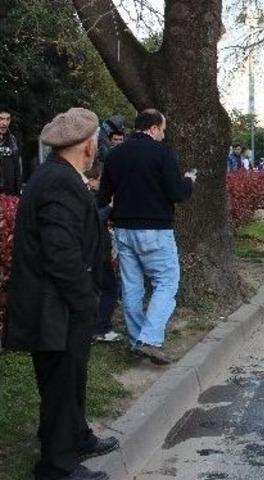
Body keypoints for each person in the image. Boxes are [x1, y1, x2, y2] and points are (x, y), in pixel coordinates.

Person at [4, 107, 117, 480]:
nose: (97, 146)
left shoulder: (59, 175)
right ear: (87, 145)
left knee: (71, 379)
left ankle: (77, 436)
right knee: (60, 385)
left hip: (60, 305)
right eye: (96, 141)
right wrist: (86, 301)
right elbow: (61, 254)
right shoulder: (59, 182)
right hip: (56, 308)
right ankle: (57, 465)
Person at [98, 109, 197, 365]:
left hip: (122, 229)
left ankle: (135, 340)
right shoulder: (163, 153)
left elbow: (103, 195)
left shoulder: (115, 154)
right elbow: (177, 193)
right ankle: (150, 339)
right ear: (153, 128)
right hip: (154, 229)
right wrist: (188, 181)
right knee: (167, 281)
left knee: (132, 286)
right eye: (163, 129)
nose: (164, 135)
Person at [84, 162, 121, 343]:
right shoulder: (89, 196)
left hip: (97, 251)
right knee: (109, 290)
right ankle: (101, 328)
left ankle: (96, 327)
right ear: (93, 179)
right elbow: (95, 220)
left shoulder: (91, 195)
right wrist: (111, 207)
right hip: (97, 252)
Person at [0, 108, 22, 195]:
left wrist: (18, 190)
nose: (4, 123)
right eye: (1, 118)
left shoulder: (13, 139)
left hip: (9, 192)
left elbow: (16, 166)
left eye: (7, 119)